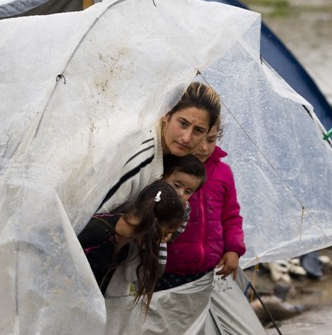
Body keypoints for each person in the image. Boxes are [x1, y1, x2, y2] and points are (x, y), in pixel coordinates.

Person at [98, 81, 221, 213]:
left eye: (198, 130)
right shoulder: (141, 156)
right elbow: (91, 218)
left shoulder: (172, 157)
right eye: (183, 123)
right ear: (166, 114)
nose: (186, 137)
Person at [159, 122, 246, 291]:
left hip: (207, 271)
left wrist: (234, 249)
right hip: (166, 270)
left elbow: (231, 216)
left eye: (211, 140)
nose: (204, 148)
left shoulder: (223, 172)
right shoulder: (170, 169)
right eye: (200, 140)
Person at [77, 180, 186, 307]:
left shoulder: (126, 241)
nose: (165, 240)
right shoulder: (96, 236)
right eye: (166, 233)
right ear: (151, 225)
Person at [158, 154, 206, 270]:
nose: (180, 193)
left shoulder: (184, 209)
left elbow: (175, 233)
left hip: (155, 259)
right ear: (162, 176)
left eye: (188, 191)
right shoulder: (151, 197)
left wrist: (168, 232)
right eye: (177, 185)